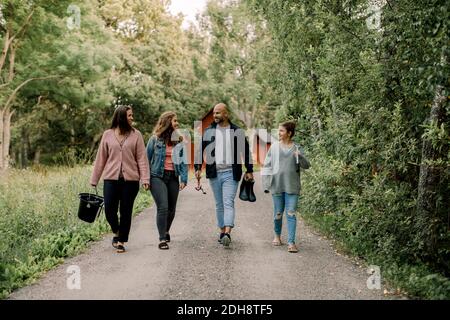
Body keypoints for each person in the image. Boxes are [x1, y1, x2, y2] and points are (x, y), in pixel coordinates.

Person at [90, 105, 150, 253]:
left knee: (126, 210)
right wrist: (94, 179)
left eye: (132, 115)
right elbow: (101, 159)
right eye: (129, 116)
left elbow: (142, 159)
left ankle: (121, 240)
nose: (132, 118)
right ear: (122, 117)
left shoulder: (137, 135)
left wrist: (145, 179)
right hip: (111, 179)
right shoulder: (108, 135)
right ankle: (117, 231)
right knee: (109, 209)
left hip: (131, 181)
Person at [194, 103, 254, 247]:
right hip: (214, 173)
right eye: (214, 113)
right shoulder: (208, 131)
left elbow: (245, 152)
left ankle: (227, 232)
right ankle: (222, 231)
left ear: (226, 114)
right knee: (219, 204)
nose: (215, 115)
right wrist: (197, 168)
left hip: (230, 173)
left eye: (218, 113)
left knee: (228, 202)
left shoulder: (236, 131)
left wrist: (249, 169)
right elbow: (199, 150)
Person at [261, 121, 310, 253]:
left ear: (289, 133)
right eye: (279, 130)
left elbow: (306, 165)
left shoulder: (297, 148)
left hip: (292, 187)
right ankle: (277, 236)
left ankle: (291, 242)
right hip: (277, 186)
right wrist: (266, 184)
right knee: (278, 213)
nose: (279, 133)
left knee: (291, 213)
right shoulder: (274, 147)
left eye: (282, 131)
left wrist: (299, 156)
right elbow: (267, 166)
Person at [146, 111, 188, 250]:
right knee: (163, 207)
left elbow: (183, 161)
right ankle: (162, 238)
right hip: (157, 176)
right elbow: (146, 160)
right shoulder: (154, 139)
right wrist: (145, 179)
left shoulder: (179, 141)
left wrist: (184, 178)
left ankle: (166, 230)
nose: (177, 123)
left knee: (172, 210)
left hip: (173, 177)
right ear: (167, 122)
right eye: (175, 121)